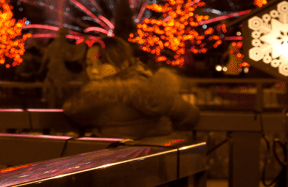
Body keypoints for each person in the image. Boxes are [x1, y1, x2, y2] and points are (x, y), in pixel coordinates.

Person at [62, 37, 199, 140]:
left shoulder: (100, 97)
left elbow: (72, 109)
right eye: (89, 64)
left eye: (102, 63)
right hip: (161, 161)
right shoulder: (154, 87)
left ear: (123, 64)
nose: (93, 71)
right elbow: (191, 116)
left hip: (119, 164)